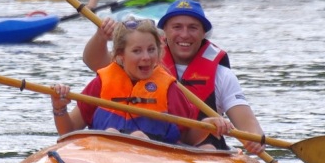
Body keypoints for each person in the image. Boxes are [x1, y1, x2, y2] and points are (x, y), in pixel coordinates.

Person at [81, 0, 265, 154]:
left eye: (193, 28)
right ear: (165, 32)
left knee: (208, 147)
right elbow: (95, 61)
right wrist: (100, 37)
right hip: (151, 143)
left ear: (203, 33)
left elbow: (246, 121)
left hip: (202, 147)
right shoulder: (147, 61)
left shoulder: (221, 75)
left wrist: (255, 138)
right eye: (177, 27)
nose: (184, 34)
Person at [49, 17, 229, 147]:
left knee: (138, 136)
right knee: (111, 134)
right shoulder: (100, 84)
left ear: (159, 52)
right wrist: (59, 107)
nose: (146, 57)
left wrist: (209, 125)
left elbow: (189, 139)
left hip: (153, 155)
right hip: (103, 153)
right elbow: (68, 131)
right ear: (120, 55)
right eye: (137, 51)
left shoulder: (169, 88)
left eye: (151, 50)